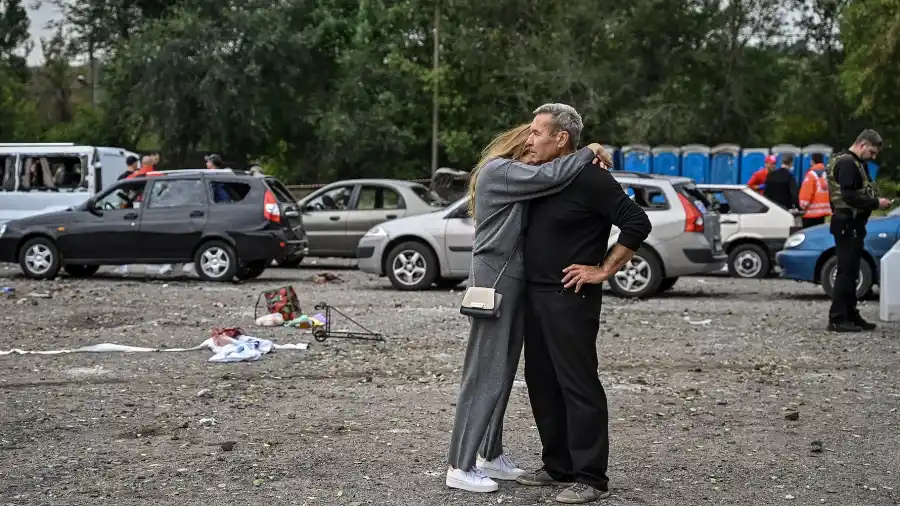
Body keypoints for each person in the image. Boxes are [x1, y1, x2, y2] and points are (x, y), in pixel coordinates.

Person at [446, 104, 611, 494]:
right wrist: (591, 151)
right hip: (496, 284)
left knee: (501, 373)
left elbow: (554, 178)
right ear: (520, 145)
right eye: (531, 139)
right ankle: (460, 464)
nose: (535, 147)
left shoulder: (523, 175)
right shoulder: (501, 172)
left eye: (540, 137)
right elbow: (555, 172)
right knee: (483, 373)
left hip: (514, 284)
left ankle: (489, 453)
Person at [515, 143, 651, 504]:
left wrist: (604, 270)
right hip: (535, 296)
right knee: (541, 382)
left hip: (571, 298)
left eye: (537, 131)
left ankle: (592, 477)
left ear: (561, 138)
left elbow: (638, 222)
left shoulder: (591, 178)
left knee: (578, 384)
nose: (530, 138)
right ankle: (558, 466)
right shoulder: (542, 178)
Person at [826, 129, 892, 332]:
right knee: (846, 272)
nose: (872, 157)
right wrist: (876, 203)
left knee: (852, 271)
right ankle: (838, 318)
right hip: (847, 223)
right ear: (862, 144)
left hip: (852, 224)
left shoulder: (855, 163)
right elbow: (849, 197)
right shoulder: (847, 163)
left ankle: (851, 314)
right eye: (871, 152)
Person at [798, 153, 831, 228]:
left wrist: (802, 206)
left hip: (811, 213)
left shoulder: (811, 174)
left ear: (812, 161)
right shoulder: (826, 174)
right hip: (823, 212)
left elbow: (806, 193)